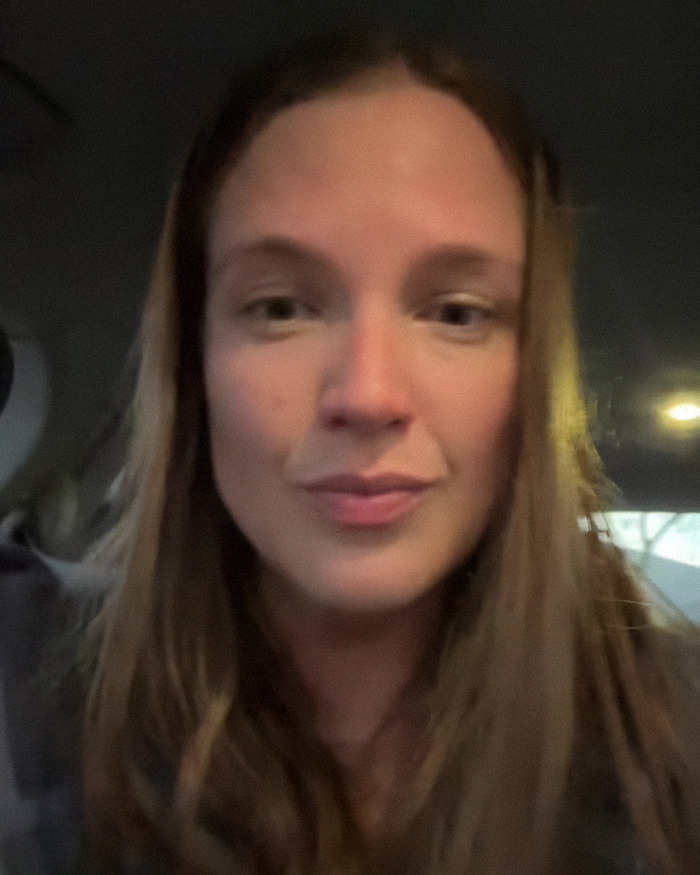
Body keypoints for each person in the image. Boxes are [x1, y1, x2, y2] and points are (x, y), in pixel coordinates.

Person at [76, 33, 699, 875]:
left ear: (531, 373)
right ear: (194, 367)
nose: (368, 395)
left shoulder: (675, 746)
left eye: (457, 314)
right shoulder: (32, 712)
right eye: (282, 308)